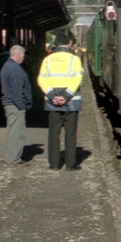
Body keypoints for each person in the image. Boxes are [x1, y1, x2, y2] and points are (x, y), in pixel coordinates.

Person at [38, 30, 84, 171]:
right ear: (68, 45)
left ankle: (54, 164)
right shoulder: (74, 59)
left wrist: (53, 96)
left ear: (56, 45)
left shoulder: (47, 59)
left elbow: (41, 79)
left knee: (53, 133)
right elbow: (77, 78)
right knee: (70, 133)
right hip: (71, 102)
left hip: (53, 103)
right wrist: (66, 96)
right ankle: (70, 165)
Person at [0, 45, 32, 165]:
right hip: (15, 105)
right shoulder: (15, 70)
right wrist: (22, 106)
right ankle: (14, 159)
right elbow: (17, 91)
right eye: (23, 56)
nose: (23, 58)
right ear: (19, 55)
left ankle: (11, 156)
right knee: (17, 133)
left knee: (11, 131)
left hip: (10, 104)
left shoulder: (7, 66)